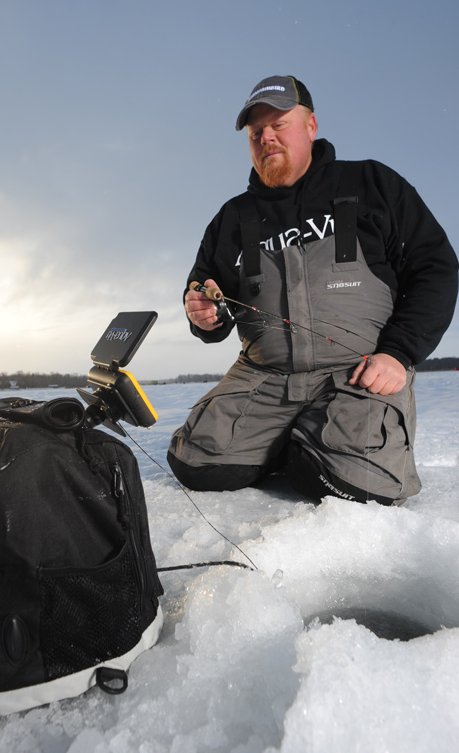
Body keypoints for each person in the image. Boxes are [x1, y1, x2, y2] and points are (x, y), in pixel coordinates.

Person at [167, 75, 458, 505]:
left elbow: (436, 267)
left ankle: (316, 445)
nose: (266, 137)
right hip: (263, 377)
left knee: (347, 486)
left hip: (359, 371)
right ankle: (296, 438)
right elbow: (204, 292)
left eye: (278, 124)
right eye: (255, 132)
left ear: (310, 125)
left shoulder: (372, 183)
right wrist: (203, 315)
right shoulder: (233, 216)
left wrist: (399, 353)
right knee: (196, 464)